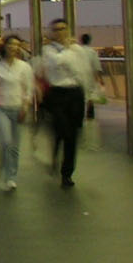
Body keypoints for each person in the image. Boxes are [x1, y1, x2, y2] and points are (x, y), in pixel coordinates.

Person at [39, 18, 94, 188]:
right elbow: (55, 63)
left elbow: (83, 71)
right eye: (55, 30)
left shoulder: (78, 50)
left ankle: (67, 173)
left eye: (63, 29)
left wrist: (88, 96)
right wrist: (68, 53)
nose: (60, 32)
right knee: (62, 130)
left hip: (75, 93)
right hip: (57, 94)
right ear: (51, 33)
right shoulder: (48, 50)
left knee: (72, 136)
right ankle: (54, 155)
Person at [0, 35, 35, 191]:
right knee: (6, 142)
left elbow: (28, 89)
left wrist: (25, 107)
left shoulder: (25, 67)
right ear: (5, 47)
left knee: (15, 146)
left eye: (16, 45)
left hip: (18, 108)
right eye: (10, 44)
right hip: (2, 109)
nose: (13, 47)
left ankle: (11, 176)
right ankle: (5, 171)